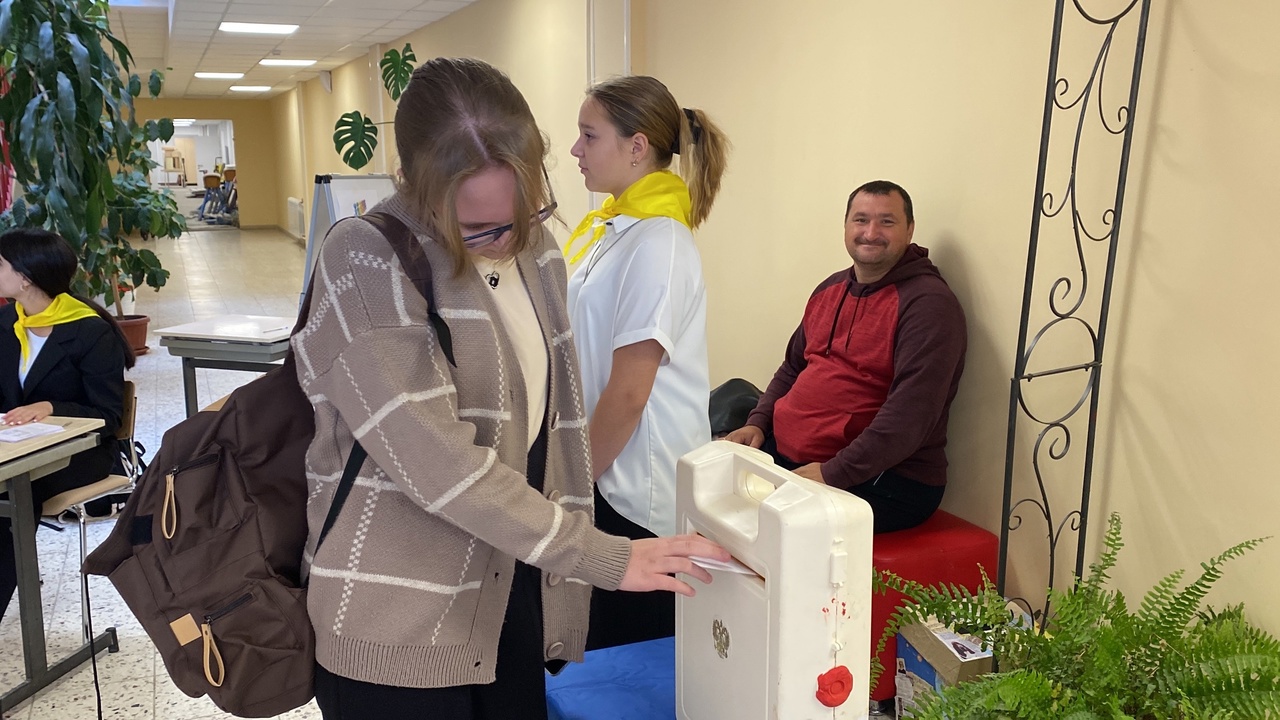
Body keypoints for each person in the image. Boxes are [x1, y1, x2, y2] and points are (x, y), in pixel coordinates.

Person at [293, 58, 727, 720]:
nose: (505, 241)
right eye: (477, 230)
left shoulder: (539, 252)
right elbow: (437, 461)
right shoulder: (364, 257)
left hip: (506, 599)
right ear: (413, 182)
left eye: (523, 212)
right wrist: (602, 556)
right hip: (397, 620)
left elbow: (558, 421)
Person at [565, 76, 729, 649]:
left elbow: (631, 392)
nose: (576, 150)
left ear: (637, 147)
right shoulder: (615, 231)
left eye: (589, 136)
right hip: (604, 466)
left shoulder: (660, 242)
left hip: (635, 489)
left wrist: (573, 481)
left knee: (630, 656)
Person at [726, 181, 967, 534]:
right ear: (845, 226)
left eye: (887, 221)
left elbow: (910, 417)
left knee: (764, 531)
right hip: (797, 458)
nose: (871, 233)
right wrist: (757, 423)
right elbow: (792, 368)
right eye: (861, 220)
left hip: (884, 481)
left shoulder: (928, 305)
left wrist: (833, 473)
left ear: (910, 230)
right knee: (713, 490)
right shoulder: (830, 289)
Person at [0, 228, 134, 619]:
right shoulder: (7, 321)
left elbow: (109, 415)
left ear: (25, 277)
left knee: (13, 494)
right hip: (18, 446)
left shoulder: (90, 331)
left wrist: (50, 406)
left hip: (81, 454)